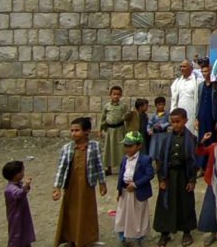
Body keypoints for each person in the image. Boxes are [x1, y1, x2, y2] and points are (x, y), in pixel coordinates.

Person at [53, 117, 107, 247]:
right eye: (71, 130)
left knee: (87, 212)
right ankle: (71, 239)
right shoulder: (67, 148)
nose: (73, 133)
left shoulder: (94, 146)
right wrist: (57, 187)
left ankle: (85, 239)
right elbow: (61, 168)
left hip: (87, 186)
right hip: (71, 186)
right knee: (70, 212)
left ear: (87, 131)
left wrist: (102, 183)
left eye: (77, 130)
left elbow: (99, 165)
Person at [153, 108, 198, 247]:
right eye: (173, 122)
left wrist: (192, 180)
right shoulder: (167, 139)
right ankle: (164, 233)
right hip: (168, 176)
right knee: (165, 204)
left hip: (184, 175)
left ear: (185, 120)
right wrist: (161, 179)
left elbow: (193, 161)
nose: (175, 125)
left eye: (178, 122)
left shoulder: (191, 139)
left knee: (185, 204)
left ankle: (186, 232)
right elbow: (160, 160)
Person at [115, 131, 154, 247]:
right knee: (123, 214)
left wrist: (136, 184)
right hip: (125, 191)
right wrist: (119, 190)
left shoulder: (145, 160)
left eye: (130, 146)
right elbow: (121, 175)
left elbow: (149, 175)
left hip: (138, 192)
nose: (127, 149)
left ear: (139, 146)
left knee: (137, 215)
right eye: (125, 146)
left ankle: (138, 237)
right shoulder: (124, 159)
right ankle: (123, 236)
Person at [3, 160, 35, 247]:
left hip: (22, 215)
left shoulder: (17, 185)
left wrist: (26, 187)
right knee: (16, 235)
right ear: (16, 174)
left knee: (24, 233)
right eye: (22, 171)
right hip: (16, 217)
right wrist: (26, 186)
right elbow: (19, 194)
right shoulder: (10, 189)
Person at [198, 65, 217, 170]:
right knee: (202, 139)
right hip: (202, 116)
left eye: (206, 71)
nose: (204, 74)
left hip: (212, 117)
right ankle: (202, 165)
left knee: (212, 139)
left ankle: (212, 164)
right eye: (203, 72)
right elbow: (198, 102)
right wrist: (196, 117)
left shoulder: (216, 85)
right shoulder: (200, 85)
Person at [101, 85, 131, 175]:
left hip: (120, 130)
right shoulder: (107, 106)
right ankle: (108, 168)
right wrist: (100, 129)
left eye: (118, 94)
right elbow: (103, 118)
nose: (116, 96)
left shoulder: (123, 106)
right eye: (114, 94)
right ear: (110, 95)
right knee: (108, 149)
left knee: (121, 149)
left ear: (120, 95)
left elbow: (128, 117)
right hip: (110, 131)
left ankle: (123, 167)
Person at [171, 60, 204, 136]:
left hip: (192, 114)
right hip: (179, 114)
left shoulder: (197, 81)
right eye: (181, 67)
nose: (182, 68)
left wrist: (197, 118)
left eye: (184, 66)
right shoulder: (177, 82)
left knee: (192, 135)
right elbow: (174, 100)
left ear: (191, 68)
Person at [148, 97, 171, 169]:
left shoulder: (167, 114)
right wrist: (149, 130)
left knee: (163, 150)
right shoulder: (154, 115)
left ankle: (163, 167)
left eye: (162, 105)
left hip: (163, 135)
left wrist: (162, 125)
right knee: (156, 151)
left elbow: (169, 122)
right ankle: (158, 167)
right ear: (156, 105)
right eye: (159, 105)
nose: (161, 106)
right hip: (155, 136)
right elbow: (149, 124)